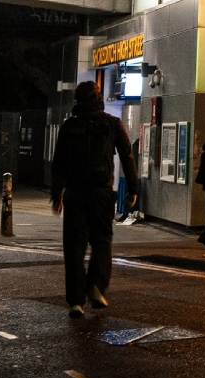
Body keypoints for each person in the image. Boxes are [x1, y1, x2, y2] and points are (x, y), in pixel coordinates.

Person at [49, 81, 138, 317]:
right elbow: (127, 156)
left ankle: (75, 301)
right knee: (102, 241)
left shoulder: (69, 126)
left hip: (75, 193)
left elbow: (59, 162)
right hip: (101, 193)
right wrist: (133, 189)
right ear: (98, 97)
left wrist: (57, 193)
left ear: (77, 100)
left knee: (74, 248)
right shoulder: (112, 123)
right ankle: (96, 285)